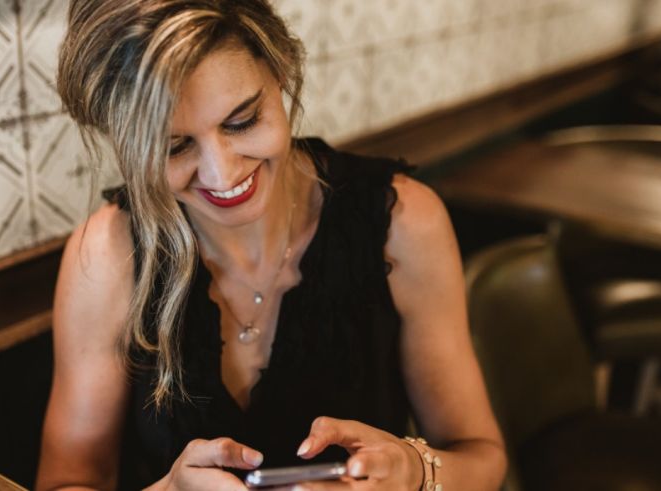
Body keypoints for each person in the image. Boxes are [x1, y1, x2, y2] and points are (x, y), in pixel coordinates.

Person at [35, 1, 507, 490]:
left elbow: (484, 460)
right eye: (174, 146)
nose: (223, 173)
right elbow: (66, 480)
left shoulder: (403, 223)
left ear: (279, 72)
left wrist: (413, 473)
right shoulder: (107, 254)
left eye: (242, 121)